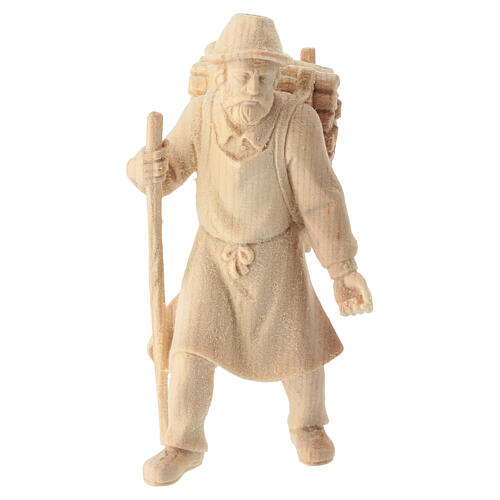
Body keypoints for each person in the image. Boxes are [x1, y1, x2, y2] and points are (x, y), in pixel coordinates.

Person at [127, 14, 372, 486]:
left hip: (276, 254)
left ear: (277, 78)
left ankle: (308, 425)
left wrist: (343, 270)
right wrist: (145, 168)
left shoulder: (296, 121)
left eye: (264, 77)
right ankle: (182, 443)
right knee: (190, 347)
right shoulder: (201, 114)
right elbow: (170, 168)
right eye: (243, 76)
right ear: (222, 76)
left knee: (299, 348)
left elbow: (320, 199)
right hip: (212, 257)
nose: (253, 89)